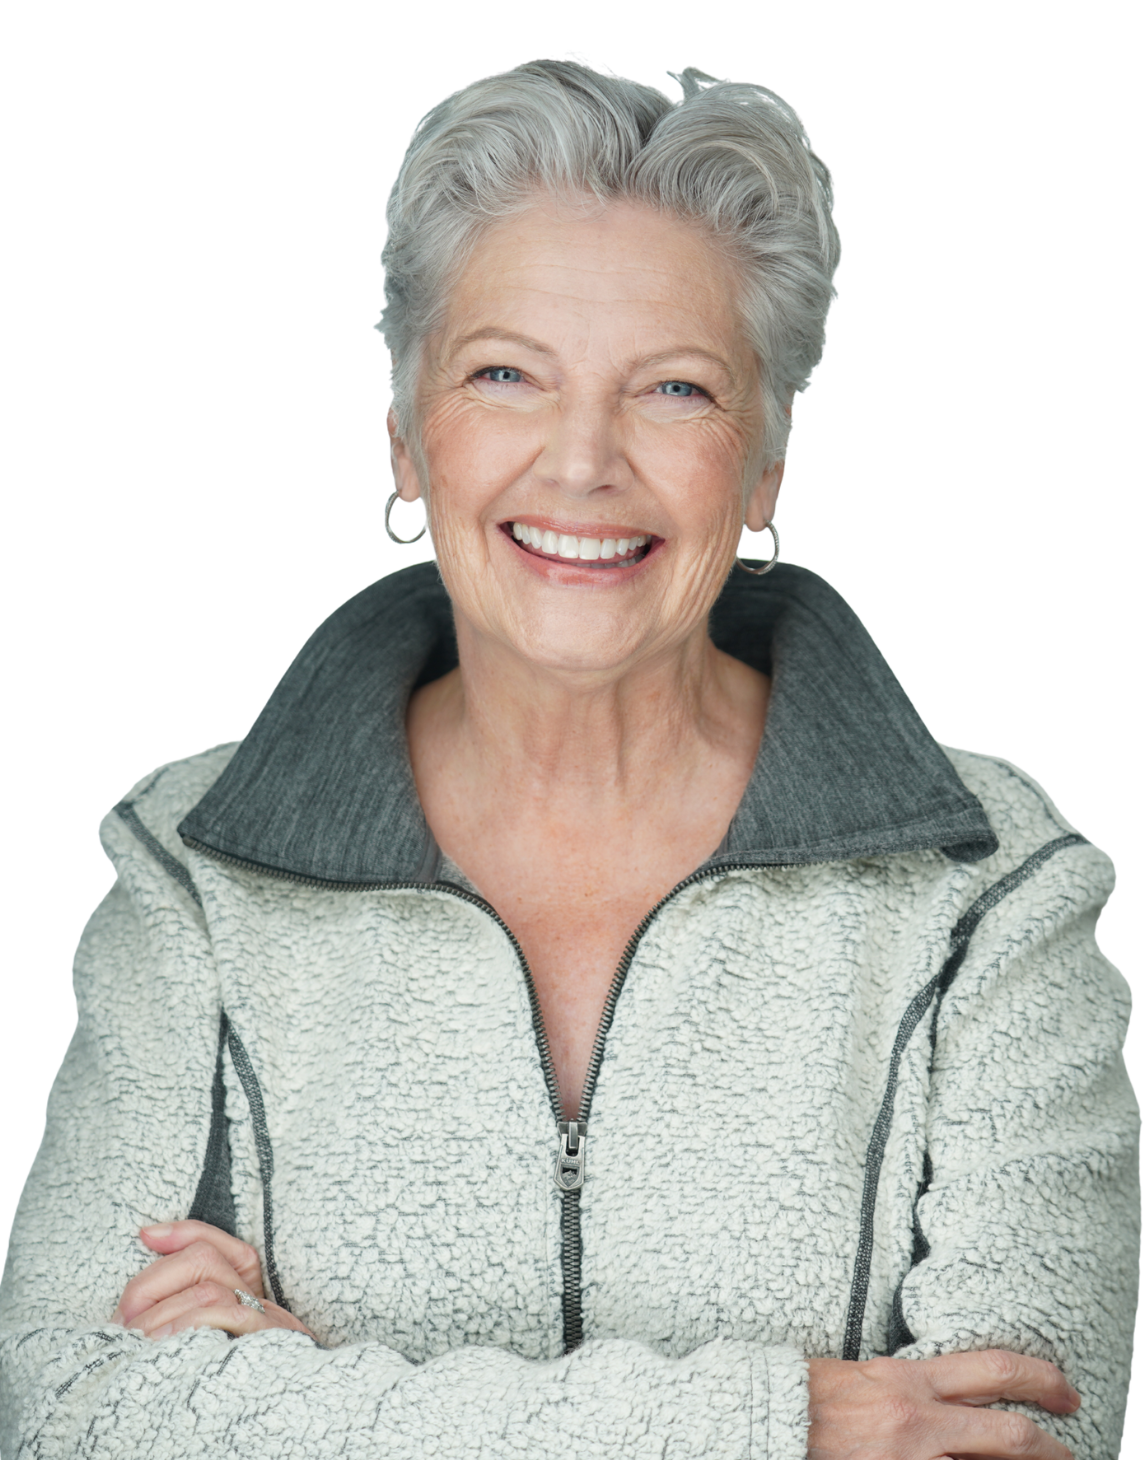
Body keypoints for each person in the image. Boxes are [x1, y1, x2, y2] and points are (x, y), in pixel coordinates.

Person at [0, 53, 1137, 1459]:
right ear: (404, 437)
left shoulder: (991, 887)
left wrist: (287, 1409)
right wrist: (789, 1423)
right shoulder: (190, 871)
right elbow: (69, 1415)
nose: (583, 462)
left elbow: (1019, 1441)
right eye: (504, 375)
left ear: (766, 464)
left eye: (673, 389)